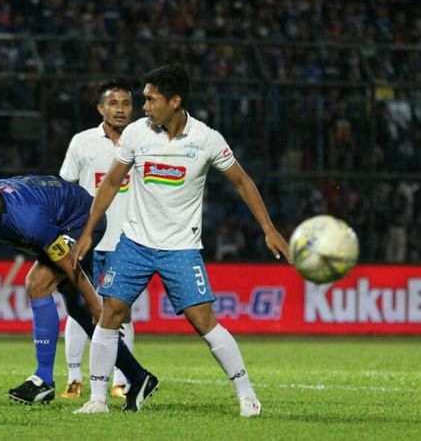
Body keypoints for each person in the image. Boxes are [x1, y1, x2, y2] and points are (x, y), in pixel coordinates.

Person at [73, 65, 290, 416]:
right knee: (109, 314)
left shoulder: (206, 139)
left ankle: (247, 394)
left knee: (204, 322)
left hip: (181, 248)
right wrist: (87, 232)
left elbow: (242, 182)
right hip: (134, 243)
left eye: (150, 100)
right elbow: (111, 183)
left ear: (175, 101)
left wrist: (269, 228)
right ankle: (97, 399)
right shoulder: (136, 135)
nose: (143, 107)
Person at [0, 159, 158, 412]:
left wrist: (98, 308)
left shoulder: (29, 219)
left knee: (38, 284)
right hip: (54, 219)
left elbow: (69, 264)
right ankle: (139, 376)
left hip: (81, 219)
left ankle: (44, 380)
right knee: (78, 312)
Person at [58, 78, 135, 400]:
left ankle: (122, 379)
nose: (120, 109)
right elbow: (64, 189)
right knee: (80, 309)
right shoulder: (82, 142)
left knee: (121, 311)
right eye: (113, 103)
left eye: (126, 103)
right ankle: (74, 376)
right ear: (100, 108)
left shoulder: (144, 142)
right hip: (87, 240)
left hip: (128, 241)